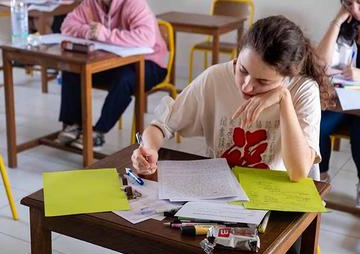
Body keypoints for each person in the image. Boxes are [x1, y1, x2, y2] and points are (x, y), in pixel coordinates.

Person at [131, 15, 333, 184]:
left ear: (287, 76)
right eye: (242, 70)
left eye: (262, 82)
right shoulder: (216, 77)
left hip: (274, 196)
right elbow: (161, 126)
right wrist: (148, 148)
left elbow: (298, 173)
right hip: (220, 190)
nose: (246, 85)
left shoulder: (303, 90)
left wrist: (283, 98)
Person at [57, 0, 167, 149]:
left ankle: (98, 132)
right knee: (73, 69)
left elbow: (146, 38)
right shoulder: (91, 3)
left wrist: (105, 34)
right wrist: (88, 31)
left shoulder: (134, 3)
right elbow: (67, 25)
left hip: (149, 63)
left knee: (124, 79)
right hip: (113, 61)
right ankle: (74, 124)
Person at [316, 0, 360, 207]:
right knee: (318, 127)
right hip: (343, 102)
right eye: (348, 4)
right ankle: (321, 177)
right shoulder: (348, 27)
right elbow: (320, 64)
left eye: (358, 3)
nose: (354, 10)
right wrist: (337, 21)